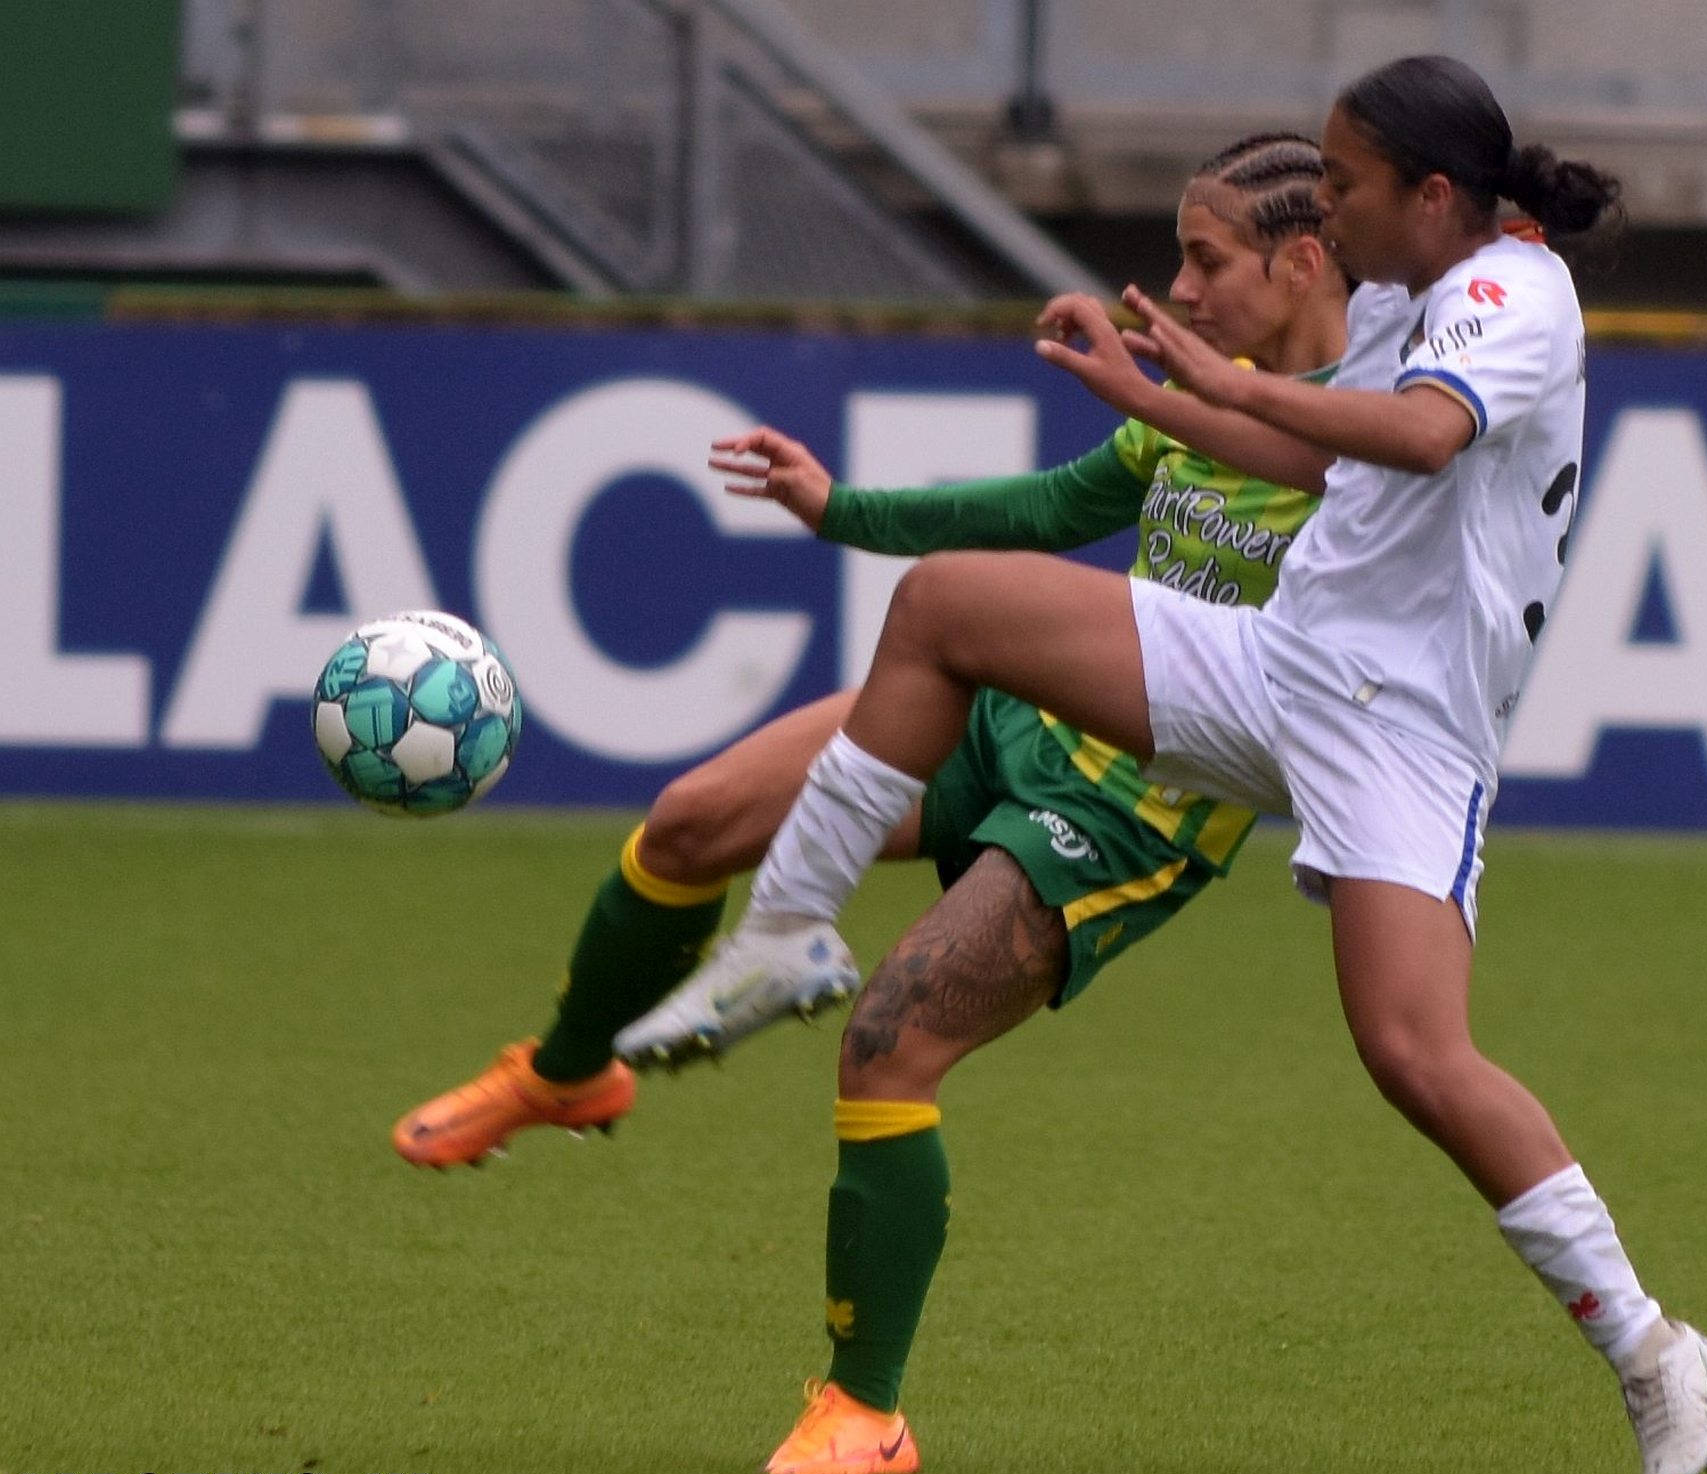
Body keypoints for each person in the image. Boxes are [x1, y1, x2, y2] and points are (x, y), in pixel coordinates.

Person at [624, 56, 1707, 1474]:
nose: (1325, 211)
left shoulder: (1515, 300)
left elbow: (1420, 432)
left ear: (1433, 194)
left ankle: (1652, 1347)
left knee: (1415, 1056)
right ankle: (782, 933)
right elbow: (1308, 456)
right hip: (1277, 662)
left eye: (1343, 184)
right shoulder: (1402, 287)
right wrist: (1147, 391)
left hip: (1403, 730)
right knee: (950, 605)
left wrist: (1210, 374)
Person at [391, 133, 1349, 1178]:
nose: (1177, 287)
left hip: (1136, 804)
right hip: (1019, 711)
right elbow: (1052, 505)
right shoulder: (1215, 395)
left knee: (887, 1048)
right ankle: (564, 1071)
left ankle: (855, 1355)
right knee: (690, 820)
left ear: (1299, 263)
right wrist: (838, 505)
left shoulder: (1376, 433)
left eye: (1205, 260)